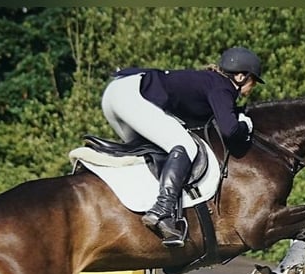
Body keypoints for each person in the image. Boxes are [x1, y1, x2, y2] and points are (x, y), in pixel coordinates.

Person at [101, 46, 264, 247]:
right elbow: (229, 130)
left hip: (116, 93)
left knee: (155, 154)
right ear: (240, 76)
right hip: (131, 95)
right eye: (253, 81)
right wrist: (245, 126)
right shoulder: (223, 86)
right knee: (185, 146)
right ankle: (162, 211)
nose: (252, 88)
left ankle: (135, 213)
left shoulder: (209, 82)